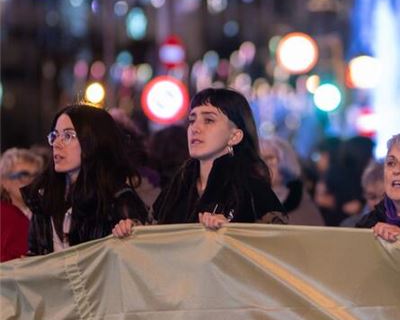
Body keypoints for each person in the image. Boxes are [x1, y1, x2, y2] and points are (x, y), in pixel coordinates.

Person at [114, 88, 285, 236]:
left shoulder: (252, 189)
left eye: (209, 120)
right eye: (192, 120)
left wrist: (234, 233)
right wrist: (133, 230)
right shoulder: (179, 185)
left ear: (235, 136)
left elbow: (275, 248)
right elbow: (155, 238)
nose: (195, 128)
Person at [23, 104, 149, 255]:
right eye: (55, 135)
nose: (57, 144)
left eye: (68, 136)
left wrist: (130, 229)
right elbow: (35, 255)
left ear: (93, 141)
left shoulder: (119, 199)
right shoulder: (43, 197)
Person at [261, 136, 324, 226]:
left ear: (284, 162)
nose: (263, 165)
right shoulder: (249, 200)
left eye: (269, 159)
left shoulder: (302, 205)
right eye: (258, 158)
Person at [0, 148, 45, 261]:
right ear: (4, 181)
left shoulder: (47, 213)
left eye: (35, 175)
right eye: (23, 175)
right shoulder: (4, 215)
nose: (31, 181)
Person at [339, 160, 386, 228]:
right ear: (364, 195)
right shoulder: (349, 226)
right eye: (372, 197)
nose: (378, 202)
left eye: (384, 197)